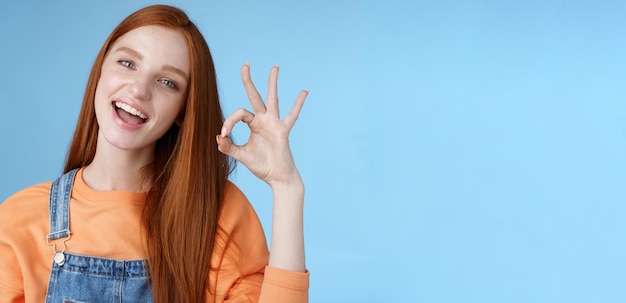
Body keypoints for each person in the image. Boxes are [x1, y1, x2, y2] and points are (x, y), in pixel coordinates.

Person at [0, 4, 309, 303]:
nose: (139, 89)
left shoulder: (218, 216)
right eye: (127, 63)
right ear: (100, 70)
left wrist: (286, 187)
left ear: (182, 111)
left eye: (167, 82)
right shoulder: (20, 219)